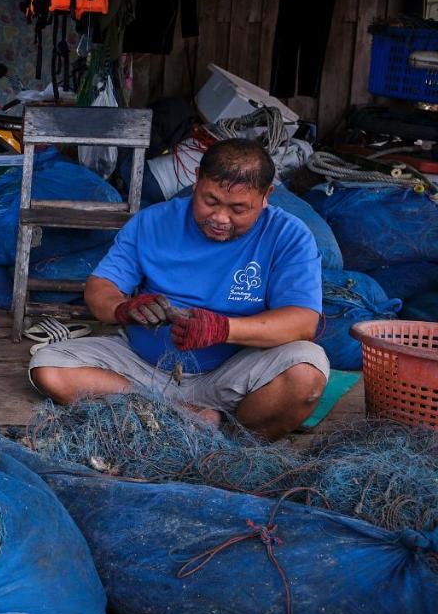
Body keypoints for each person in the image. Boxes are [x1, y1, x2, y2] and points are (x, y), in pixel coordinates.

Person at [29, 139, 328, 440]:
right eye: (210, 201)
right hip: (142, 370)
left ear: (266, 196)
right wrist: (122, 308)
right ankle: (185, 414)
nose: (221, 218)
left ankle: (230, 444)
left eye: (239, 209)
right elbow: (100, 287)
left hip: (232, 375)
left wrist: (223, 329)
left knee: (306, 373)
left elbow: (303, 322)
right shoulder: (153, 221)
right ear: (196, 179)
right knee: (49, 369)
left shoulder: (289, 236)